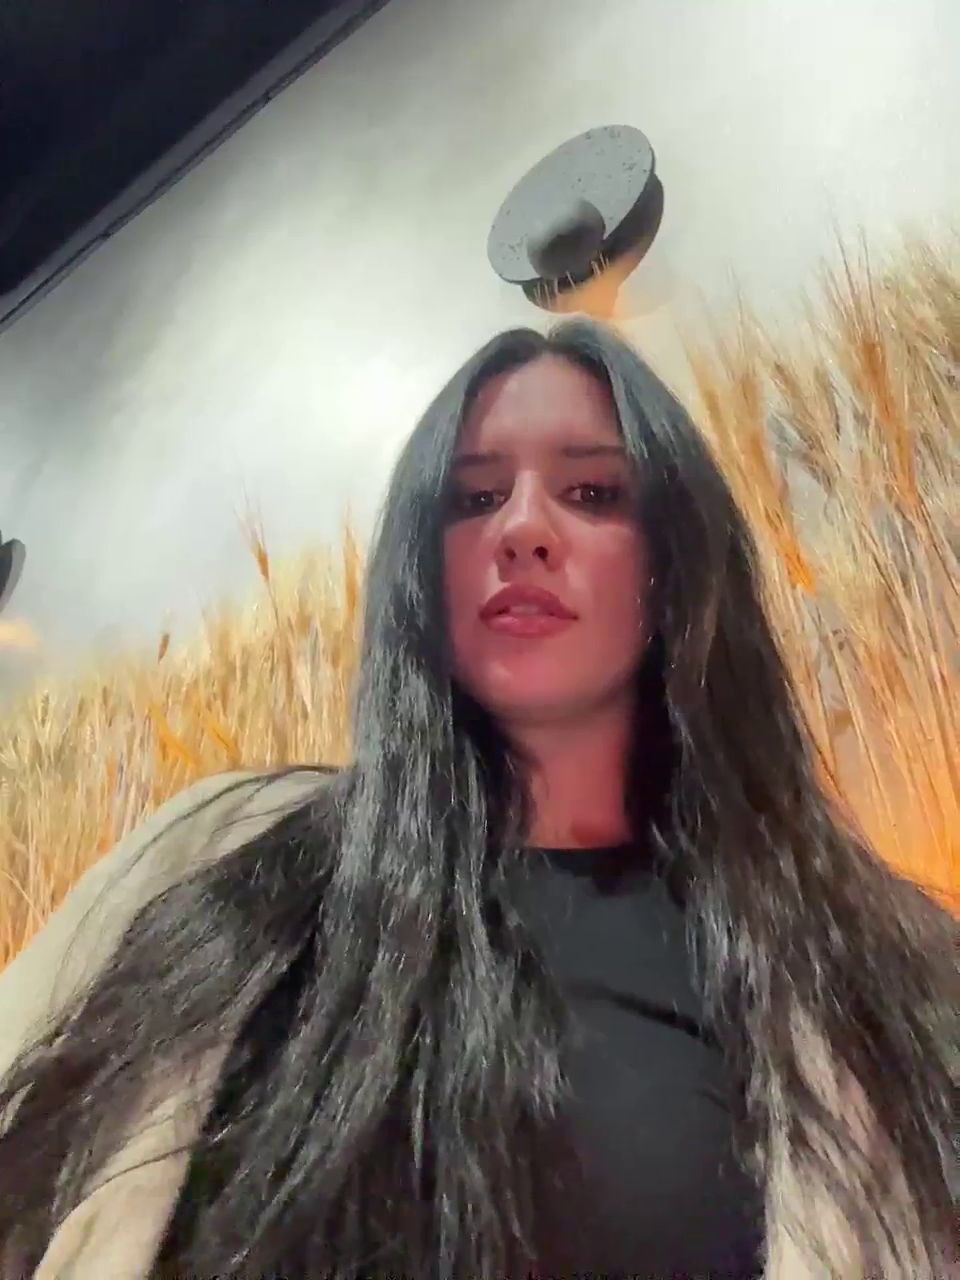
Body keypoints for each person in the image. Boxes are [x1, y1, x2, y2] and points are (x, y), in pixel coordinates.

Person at [0, 321, 955, 1280]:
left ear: (676, 558)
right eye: (474, 497)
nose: (522, 527)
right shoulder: (218, 856)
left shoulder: (863, 970)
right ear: (421, 562)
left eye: (592, 492)